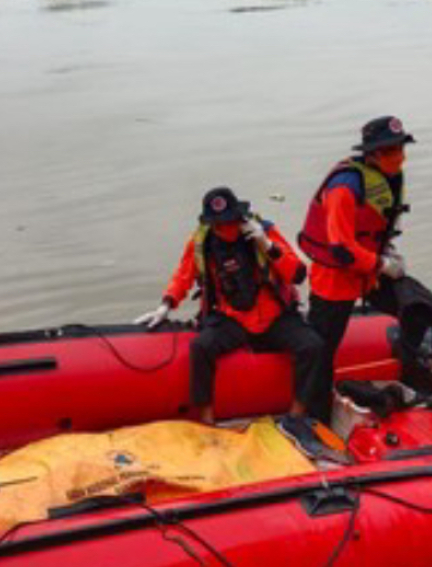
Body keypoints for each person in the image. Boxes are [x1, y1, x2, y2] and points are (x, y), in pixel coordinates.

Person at [134, 187, 328, 456]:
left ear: (241, 216)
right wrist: (166, 304)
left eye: (231, 220)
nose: (227, 227)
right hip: (233, 318)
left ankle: (295, 419)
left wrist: (267, 246)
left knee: (313, 346)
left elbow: (296, 273)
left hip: (273, 316)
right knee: (201, 348)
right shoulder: (201, 242)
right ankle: (207, 421)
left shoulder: (264, 231)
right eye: (219, 223)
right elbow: (184, 275)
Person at [299, 116, 432, 423]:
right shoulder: (345, 187)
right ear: (373, 154)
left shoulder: (390, 176)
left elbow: (380, 223)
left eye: (401, 150)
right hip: (335, 281)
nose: (400, 158)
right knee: (321, 353)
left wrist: (387, 252)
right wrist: (381, 264)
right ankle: (313, 419)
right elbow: (340, 247)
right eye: (392, 152)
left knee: (420, 311)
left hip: (370, 275)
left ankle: (414, 380)